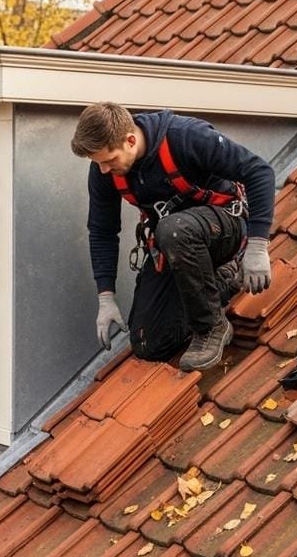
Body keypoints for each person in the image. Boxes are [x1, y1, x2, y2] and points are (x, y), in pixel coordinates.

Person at [71, 102, 274, 371]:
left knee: (173, 229)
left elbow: (260, 172)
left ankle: (211, 327)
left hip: (223, 228)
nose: (105, 170)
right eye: (99, 164)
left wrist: (258, 247)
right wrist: (105, 297)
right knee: (148, 344)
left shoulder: (186, 136)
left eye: (109, 161)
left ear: (130, 140)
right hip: (177, 246)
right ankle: (219, 282)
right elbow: (102, 230)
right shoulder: (104, 170)